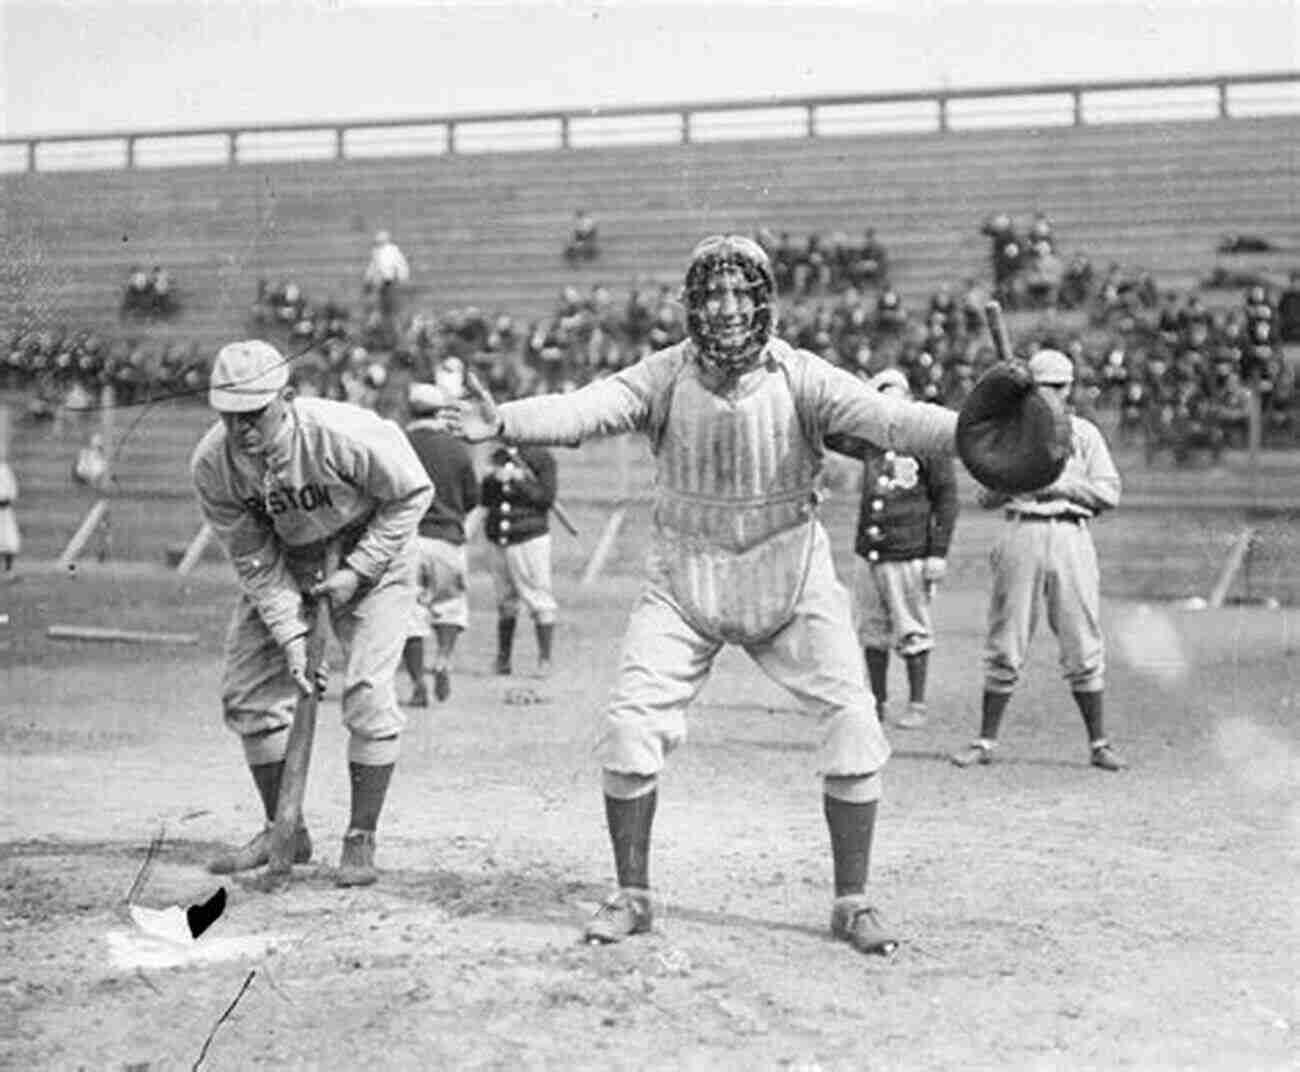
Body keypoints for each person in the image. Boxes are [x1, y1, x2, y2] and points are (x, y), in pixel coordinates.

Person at [433, 235, 973, 956]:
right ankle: (632, 894)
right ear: (692, 303)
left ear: (762, 301)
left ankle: (853, 900)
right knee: (629, 728)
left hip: (789, 568)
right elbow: (587, 408)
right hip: (684, 575)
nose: (725, 308)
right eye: (712, 294)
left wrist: (981, 430)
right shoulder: (663, 376)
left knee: (852, 719)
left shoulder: (804, 376)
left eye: (739, 294)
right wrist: (504, 422)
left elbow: (896, 422)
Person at [191, 340, 432, 887]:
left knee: (368, 692)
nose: (243, 429)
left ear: (288, 398)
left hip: (374, 551)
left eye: (255, 413)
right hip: (286, 560)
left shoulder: (344, 432)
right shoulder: (212, 464)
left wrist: (359, 569)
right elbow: (252, 556)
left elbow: (412, 493)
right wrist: (293, 638)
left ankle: (360, 837)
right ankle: (286, 830)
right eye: (230, 417)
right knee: (248, 694)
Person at [950, 348, 1124, 773]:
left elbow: (1109, 493)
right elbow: (985, 497)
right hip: (1021, 530)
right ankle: (986, 740)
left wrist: (1061, 485)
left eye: (1058, 388)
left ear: (1070, 389)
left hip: (1069, 533)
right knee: (1005, 641)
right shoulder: (1012, 431)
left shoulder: (1083, 434)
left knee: (1082, 639)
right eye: (1042, 387)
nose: (1051, 395)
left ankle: (1098, 743)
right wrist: (1017, 476)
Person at [826, 368, 959, 730]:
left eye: (898, 396)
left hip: (909, 552)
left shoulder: (927, 443)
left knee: (912, 628)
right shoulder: (869, 442)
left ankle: (917, 703)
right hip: (870, 551)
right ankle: (878, 701)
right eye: (883, 398)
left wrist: (938, 553)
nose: (892, 405)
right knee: (872, 631)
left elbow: (946, 499)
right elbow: (832, 436)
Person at [403, 382, 481, 705]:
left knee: (411, 615)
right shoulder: (456, 449)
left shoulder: (401, 444)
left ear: (411, 410)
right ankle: (444, 659)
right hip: (448, 539)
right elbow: (472, 498)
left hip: (409, 541)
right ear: (439, 412)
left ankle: (418, 682)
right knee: (449, 608)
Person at [480, 442, 558, 677]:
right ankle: (503, 660)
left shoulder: (541, 457)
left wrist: (518, 479)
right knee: (505, 601)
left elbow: (546, 498)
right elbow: (485, 499)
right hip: (499, 538)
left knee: (539, 598)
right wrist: (492, 478)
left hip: (529, 537)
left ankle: (545, 660)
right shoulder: (498, 456)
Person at [363, 230, 411, 325]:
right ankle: (379, 319)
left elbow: (401, 266)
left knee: (389, 304)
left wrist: (402, 278)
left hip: (390, 282)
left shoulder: (392, 251)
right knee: (381, 303)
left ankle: (387, 319)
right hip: (382, 282)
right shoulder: (377, 252)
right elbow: (373, 267)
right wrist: (368, 279)